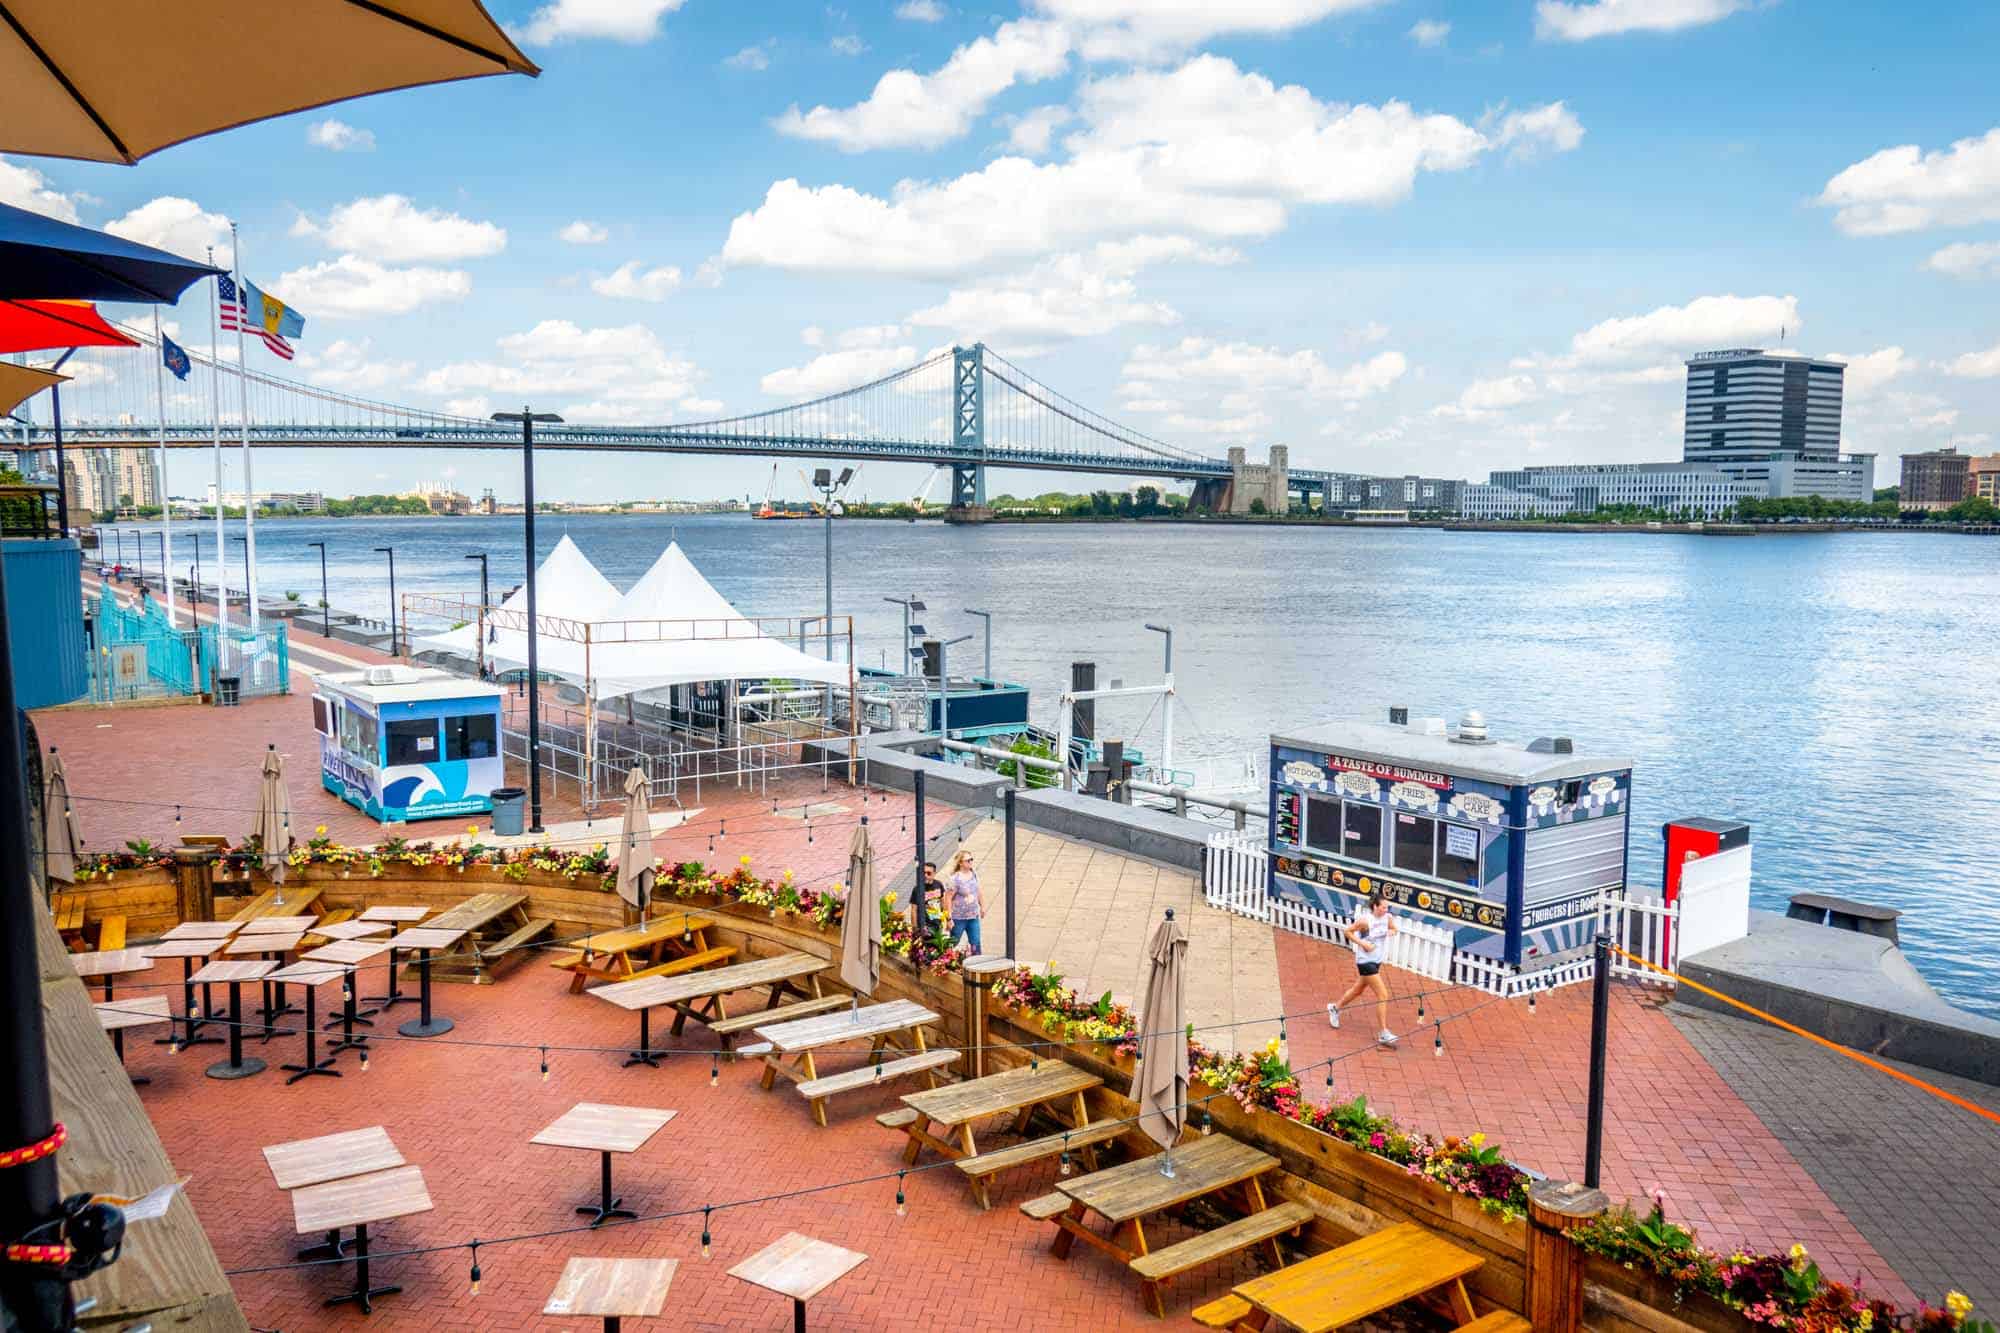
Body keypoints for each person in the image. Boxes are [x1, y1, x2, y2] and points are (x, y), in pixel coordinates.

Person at [1328, 890, 1398, 1046]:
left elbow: (1394, 929)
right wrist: (1363, 944)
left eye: (1387, 907)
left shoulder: (1388, 918)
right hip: (1365, 961)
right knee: (1383, 995)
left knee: (1357, 990)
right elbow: (1348, 931)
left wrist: (1388, 932)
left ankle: (1335, 1008)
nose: (1386, 910)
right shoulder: (1365, 921)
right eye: (1383, 907)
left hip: (1376, 960)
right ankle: (1383, 1033)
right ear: (1374, 907)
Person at [945, 850, 985, 954]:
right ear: (960, 863)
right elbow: (948, 898)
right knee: (953, 942)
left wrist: (982, 907)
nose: (971, 862)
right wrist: (949, 918)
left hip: (973, 916)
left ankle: (977, 964)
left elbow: (978, 891)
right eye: (968, 860)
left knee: (975, 942)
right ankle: (943, 960)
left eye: (971, 859)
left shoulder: (974, 874)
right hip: (959, 917)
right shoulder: (955, 879)